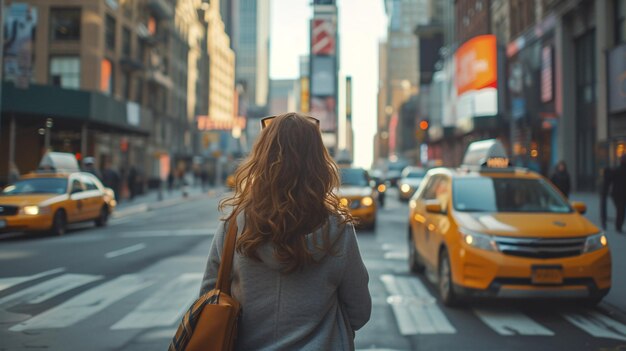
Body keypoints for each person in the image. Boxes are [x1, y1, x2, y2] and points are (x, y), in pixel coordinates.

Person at [199, 113, 371, 350]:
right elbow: (360, 310)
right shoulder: (338, 229)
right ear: (318, 162)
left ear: (262, 158)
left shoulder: (234, 225)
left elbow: (209, 298)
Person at [610, 155, 626, 233]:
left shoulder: (616, 170)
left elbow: (611, 180)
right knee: (621, 211)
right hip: (621, 194)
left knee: (620, 210)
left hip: (616, 194)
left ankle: (618, 226)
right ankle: (618, 226)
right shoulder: (619, 170)